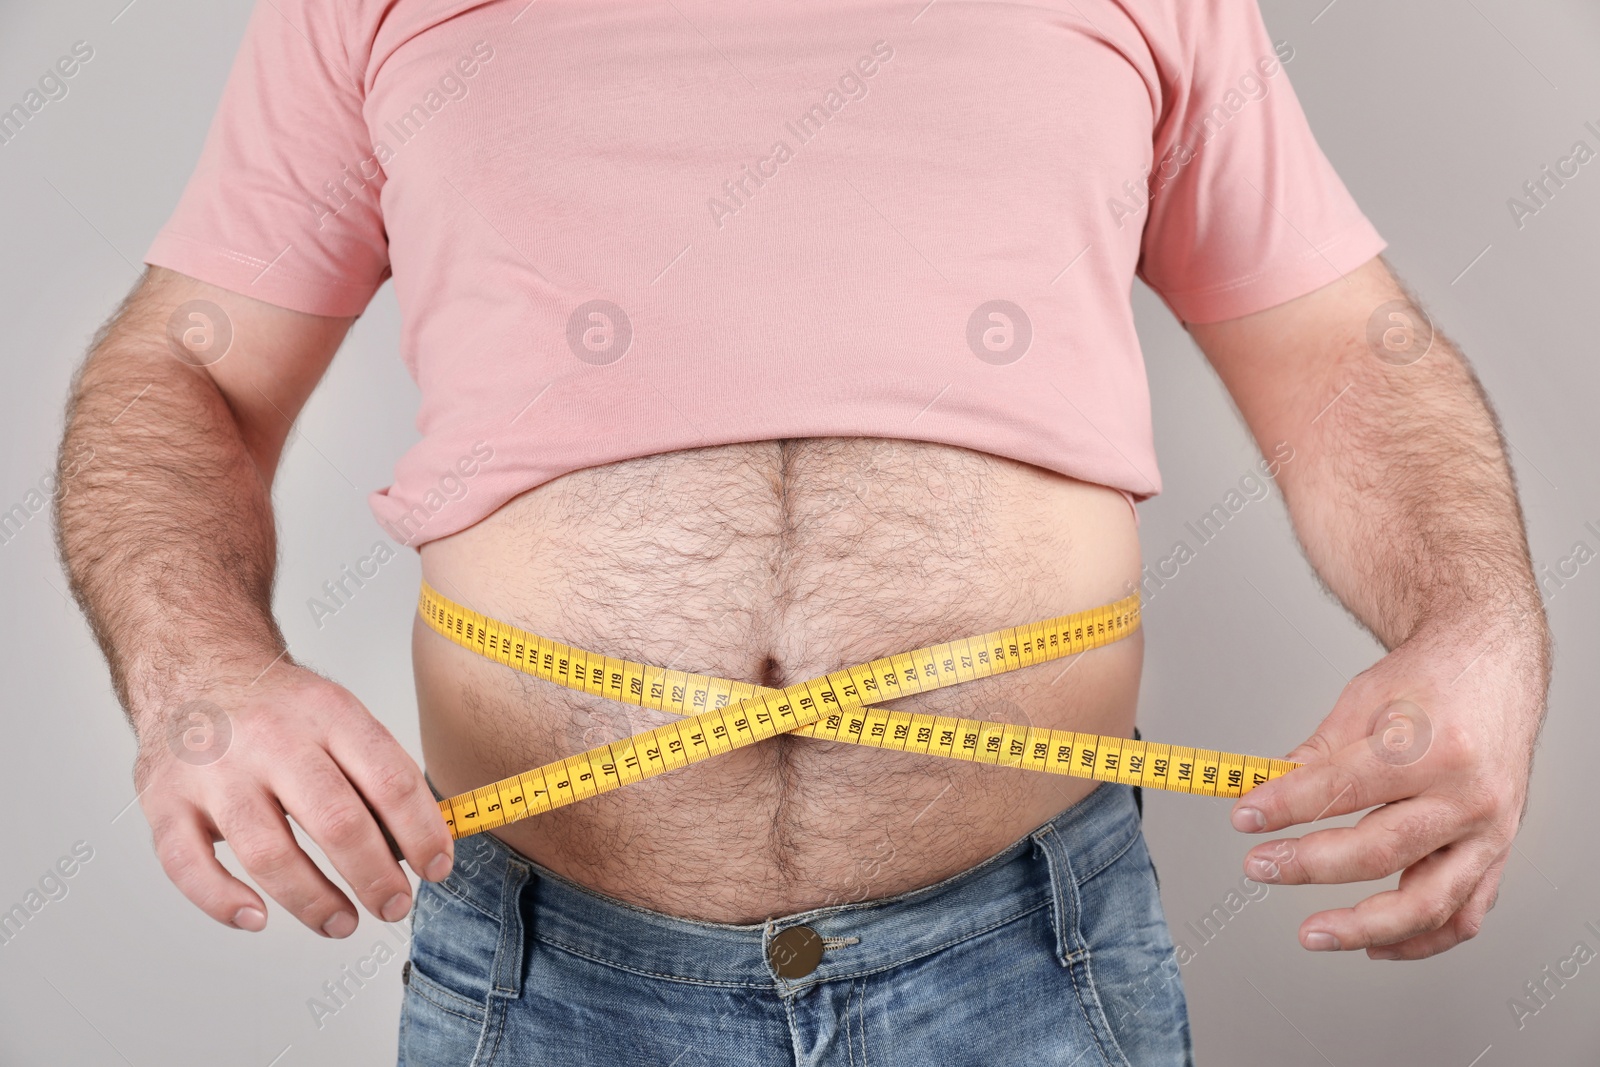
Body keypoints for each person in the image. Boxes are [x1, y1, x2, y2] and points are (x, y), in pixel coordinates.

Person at [54, 1, 1550, 1063]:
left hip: (1031, 954)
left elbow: (1345, 354)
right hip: (543, 963)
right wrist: (203, 671)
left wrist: (1479, 623)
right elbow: (180, 363)